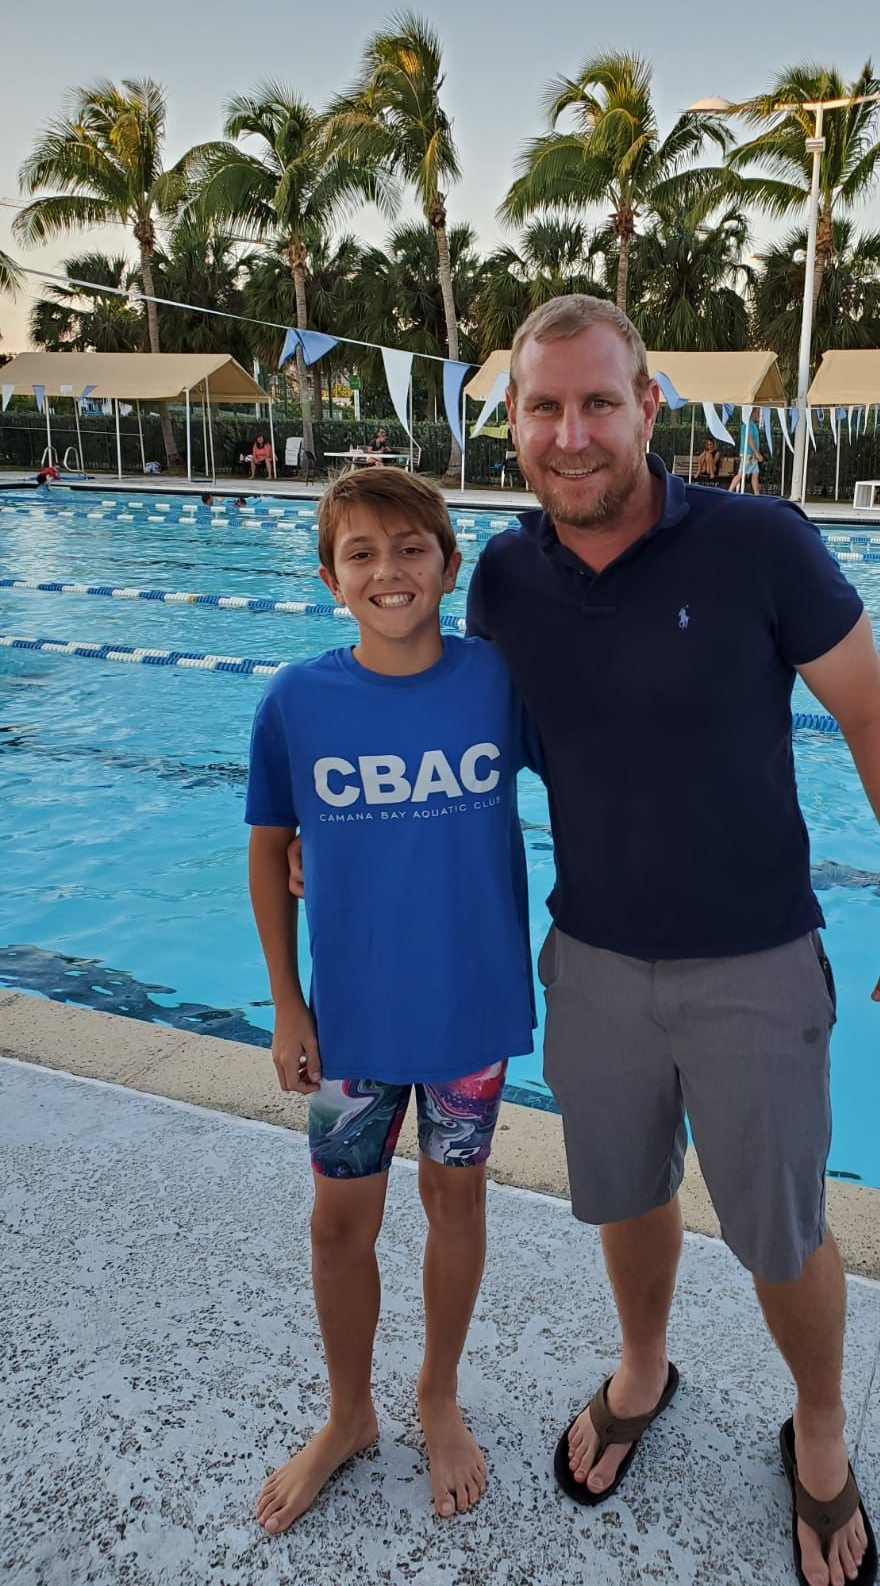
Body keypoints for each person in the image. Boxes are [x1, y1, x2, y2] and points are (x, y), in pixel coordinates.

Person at [465, 297, 880, 1586]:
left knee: (781, 1231)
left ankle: (823, 1427)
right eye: (545, 407)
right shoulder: (503, 576)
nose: (573, 433)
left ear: (649, 407)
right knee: (625, 1193)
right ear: (513, 421)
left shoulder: (759, 544)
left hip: (753, 962)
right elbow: (459, 758)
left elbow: (873, 712)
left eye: (598, 402)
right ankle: (642, 1366)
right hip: (597, 961)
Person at [246, 466, 534, 1535]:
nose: (389, 571)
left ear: (449, 565)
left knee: (457, 1203)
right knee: (338, 1226)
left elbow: (602, 763)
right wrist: (287, 1005)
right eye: (361, 553)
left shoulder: (497, 683)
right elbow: (268, 848)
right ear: (331, 579)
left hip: (470, 1012)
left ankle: (437, 1391)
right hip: (355, 1020)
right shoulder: (297, 702)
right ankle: (350, 1411)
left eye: (411, 547)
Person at [730, 406, 762, 495]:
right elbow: (750, 439)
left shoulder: (752, 424)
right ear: (753, 412)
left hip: (752, 454)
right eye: (757, 412)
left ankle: (757, 494)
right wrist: (757, 453)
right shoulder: (748, 424)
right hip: (748, 454)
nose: (758, 414)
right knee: (741, 474)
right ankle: (729, 491)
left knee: (755, 474)